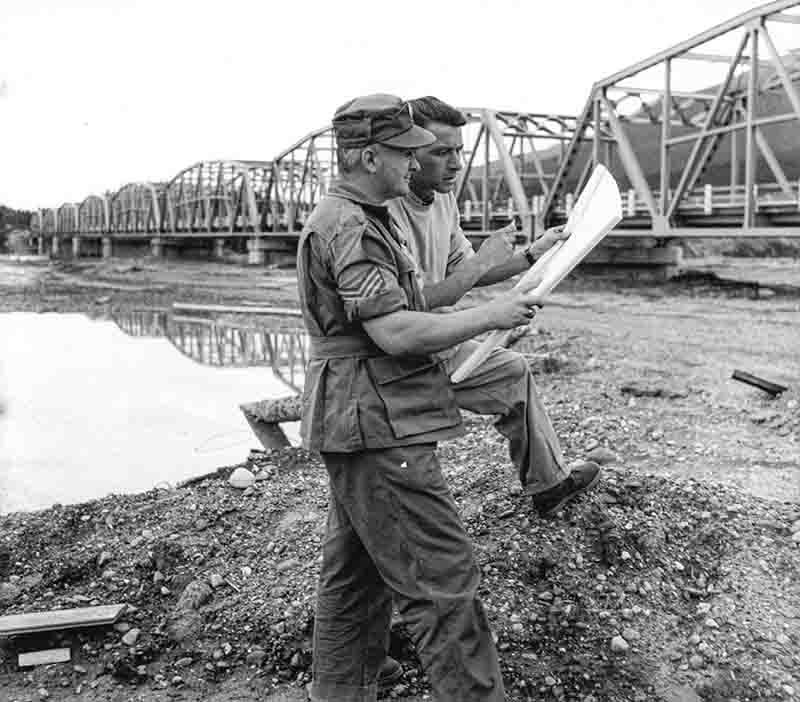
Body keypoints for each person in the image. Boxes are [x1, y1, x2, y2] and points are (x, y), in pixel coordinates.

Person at [298, 94, 541, 702]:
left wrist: (492, 303)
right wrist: (492, 315)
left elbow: (410, 308)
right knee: (441, 576)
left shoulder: (366, 214)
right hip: (377, 418)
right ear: (368, 155)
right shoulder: (353, 225)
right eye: (406, 152)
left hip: (363, 414)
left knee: (356, 572)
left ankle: (340, 689)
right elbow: (397, 331)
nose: (416, 164)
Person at [387, 95, 601, 516]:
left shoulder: (443, 198)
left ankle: (549, 484)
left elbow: (465, 272)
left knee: (513, 372)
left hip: (442, 345)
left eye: (459, 152)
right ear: (409, 155)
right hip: (403, 349)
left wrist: (531, 256)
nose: (455, 164)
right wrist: (489, 310)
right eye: (440, 153)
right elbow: (405, 305)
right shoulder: (386, 211)